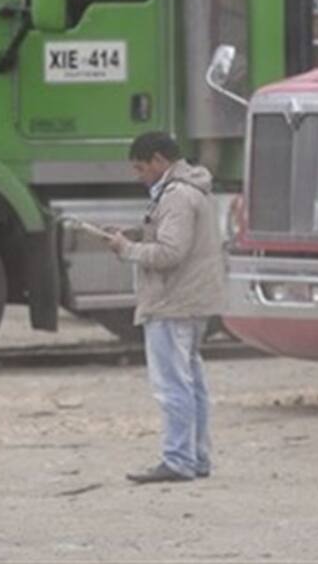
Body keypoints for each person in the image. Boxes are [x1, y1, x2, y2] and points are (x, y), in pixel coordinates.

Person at [109, 131, 225, 484]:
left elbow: (170, 253)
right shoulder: (193, 191)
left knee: (172, 384)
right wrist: (133, 234)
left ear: (160, 161)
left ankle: (177, 460)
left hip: (172, 302)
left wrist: (127, 250)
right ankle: (196, 457)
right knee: (192, 383)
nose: (139, 175)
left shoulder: (175, 197)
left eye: (141, 167)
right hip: (191, 300)